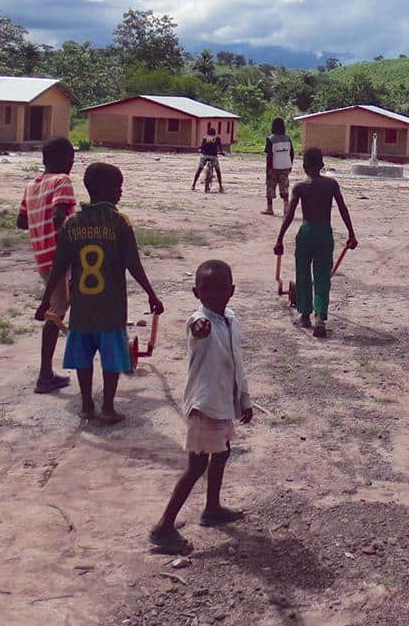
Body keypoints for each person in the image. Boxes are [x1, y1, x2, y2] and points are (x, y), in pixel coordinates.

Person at [42, 162, 164, 424]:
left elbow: (59, 267)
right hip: (111, 309)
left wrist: (45, 303)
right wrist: (151, 294)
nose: (120, 192)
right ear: (105, 189)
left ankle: (87, 404)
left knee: (83, 358)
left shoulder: (72, 224)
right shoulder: (119, 222)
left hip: (83, 309)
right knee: (111, 360)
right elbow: (133, 264)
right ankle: (108, 406)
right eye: (118, 187)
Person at [148, 258, 252, 555]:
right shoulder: (199, 321)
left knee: (223, 452)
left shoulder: (231, 319)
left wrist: (243, 399)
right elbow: (197, 329)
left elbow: (237, 364)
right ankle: (163, 527)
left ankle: (212, 507)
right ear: (196, 292)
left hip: (222, 403)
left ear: (231, 291)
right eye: (206, 289)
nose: (213, 294)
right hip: (204, 406)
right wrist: (200, 325)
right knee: (196, 466)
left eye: (220, 289)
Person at [272, 148, 356, 338]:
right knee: (322, 276)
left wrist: (280, 239)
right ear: (322, 166)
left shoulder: (301, 187)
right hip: (324, 232)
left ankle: (305, 315)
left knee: (303, 273)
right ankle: (319, 316)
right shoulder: (331, 184)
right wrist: (351, 233)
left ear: (304, 167)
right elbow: (343, 208)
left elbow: (290, 214)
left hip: (306, 232)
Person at [18, 137, 78, 395]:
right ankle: (44, 375)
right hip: (59, 255)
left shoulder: (31, 186)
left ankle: (53, 368)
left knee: (62, 305)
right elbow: (58, 218)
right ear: (67, 161)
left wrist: (37, 219)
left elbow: (21, 222)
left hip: (41, 255)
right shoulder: (62, 181)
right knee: (57, 311)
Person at [263, 117, 294, 216]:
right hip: (286, 165)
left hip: (274, 166)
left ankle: (270, 208)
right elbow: (292, 152)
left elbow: (269, 155)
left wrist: (268, 168)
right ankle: (286, 208)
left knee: (270, 186)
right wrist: (290, 164)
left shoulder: (270, 139)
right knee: (284, 186)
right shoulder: (288, 138)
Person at [192, 128, 224, 194]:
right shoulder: (217, 138)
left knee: (199, 169)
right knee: (218, 171)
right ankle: (220, 186)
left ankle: (193, 185)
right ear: (215, 133)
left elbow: (201, 147)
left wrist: (200, 150)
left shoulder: (205, 138)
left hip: (204, 156)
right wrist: (221, 152)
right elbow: (220, 147)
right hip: (213, 156)